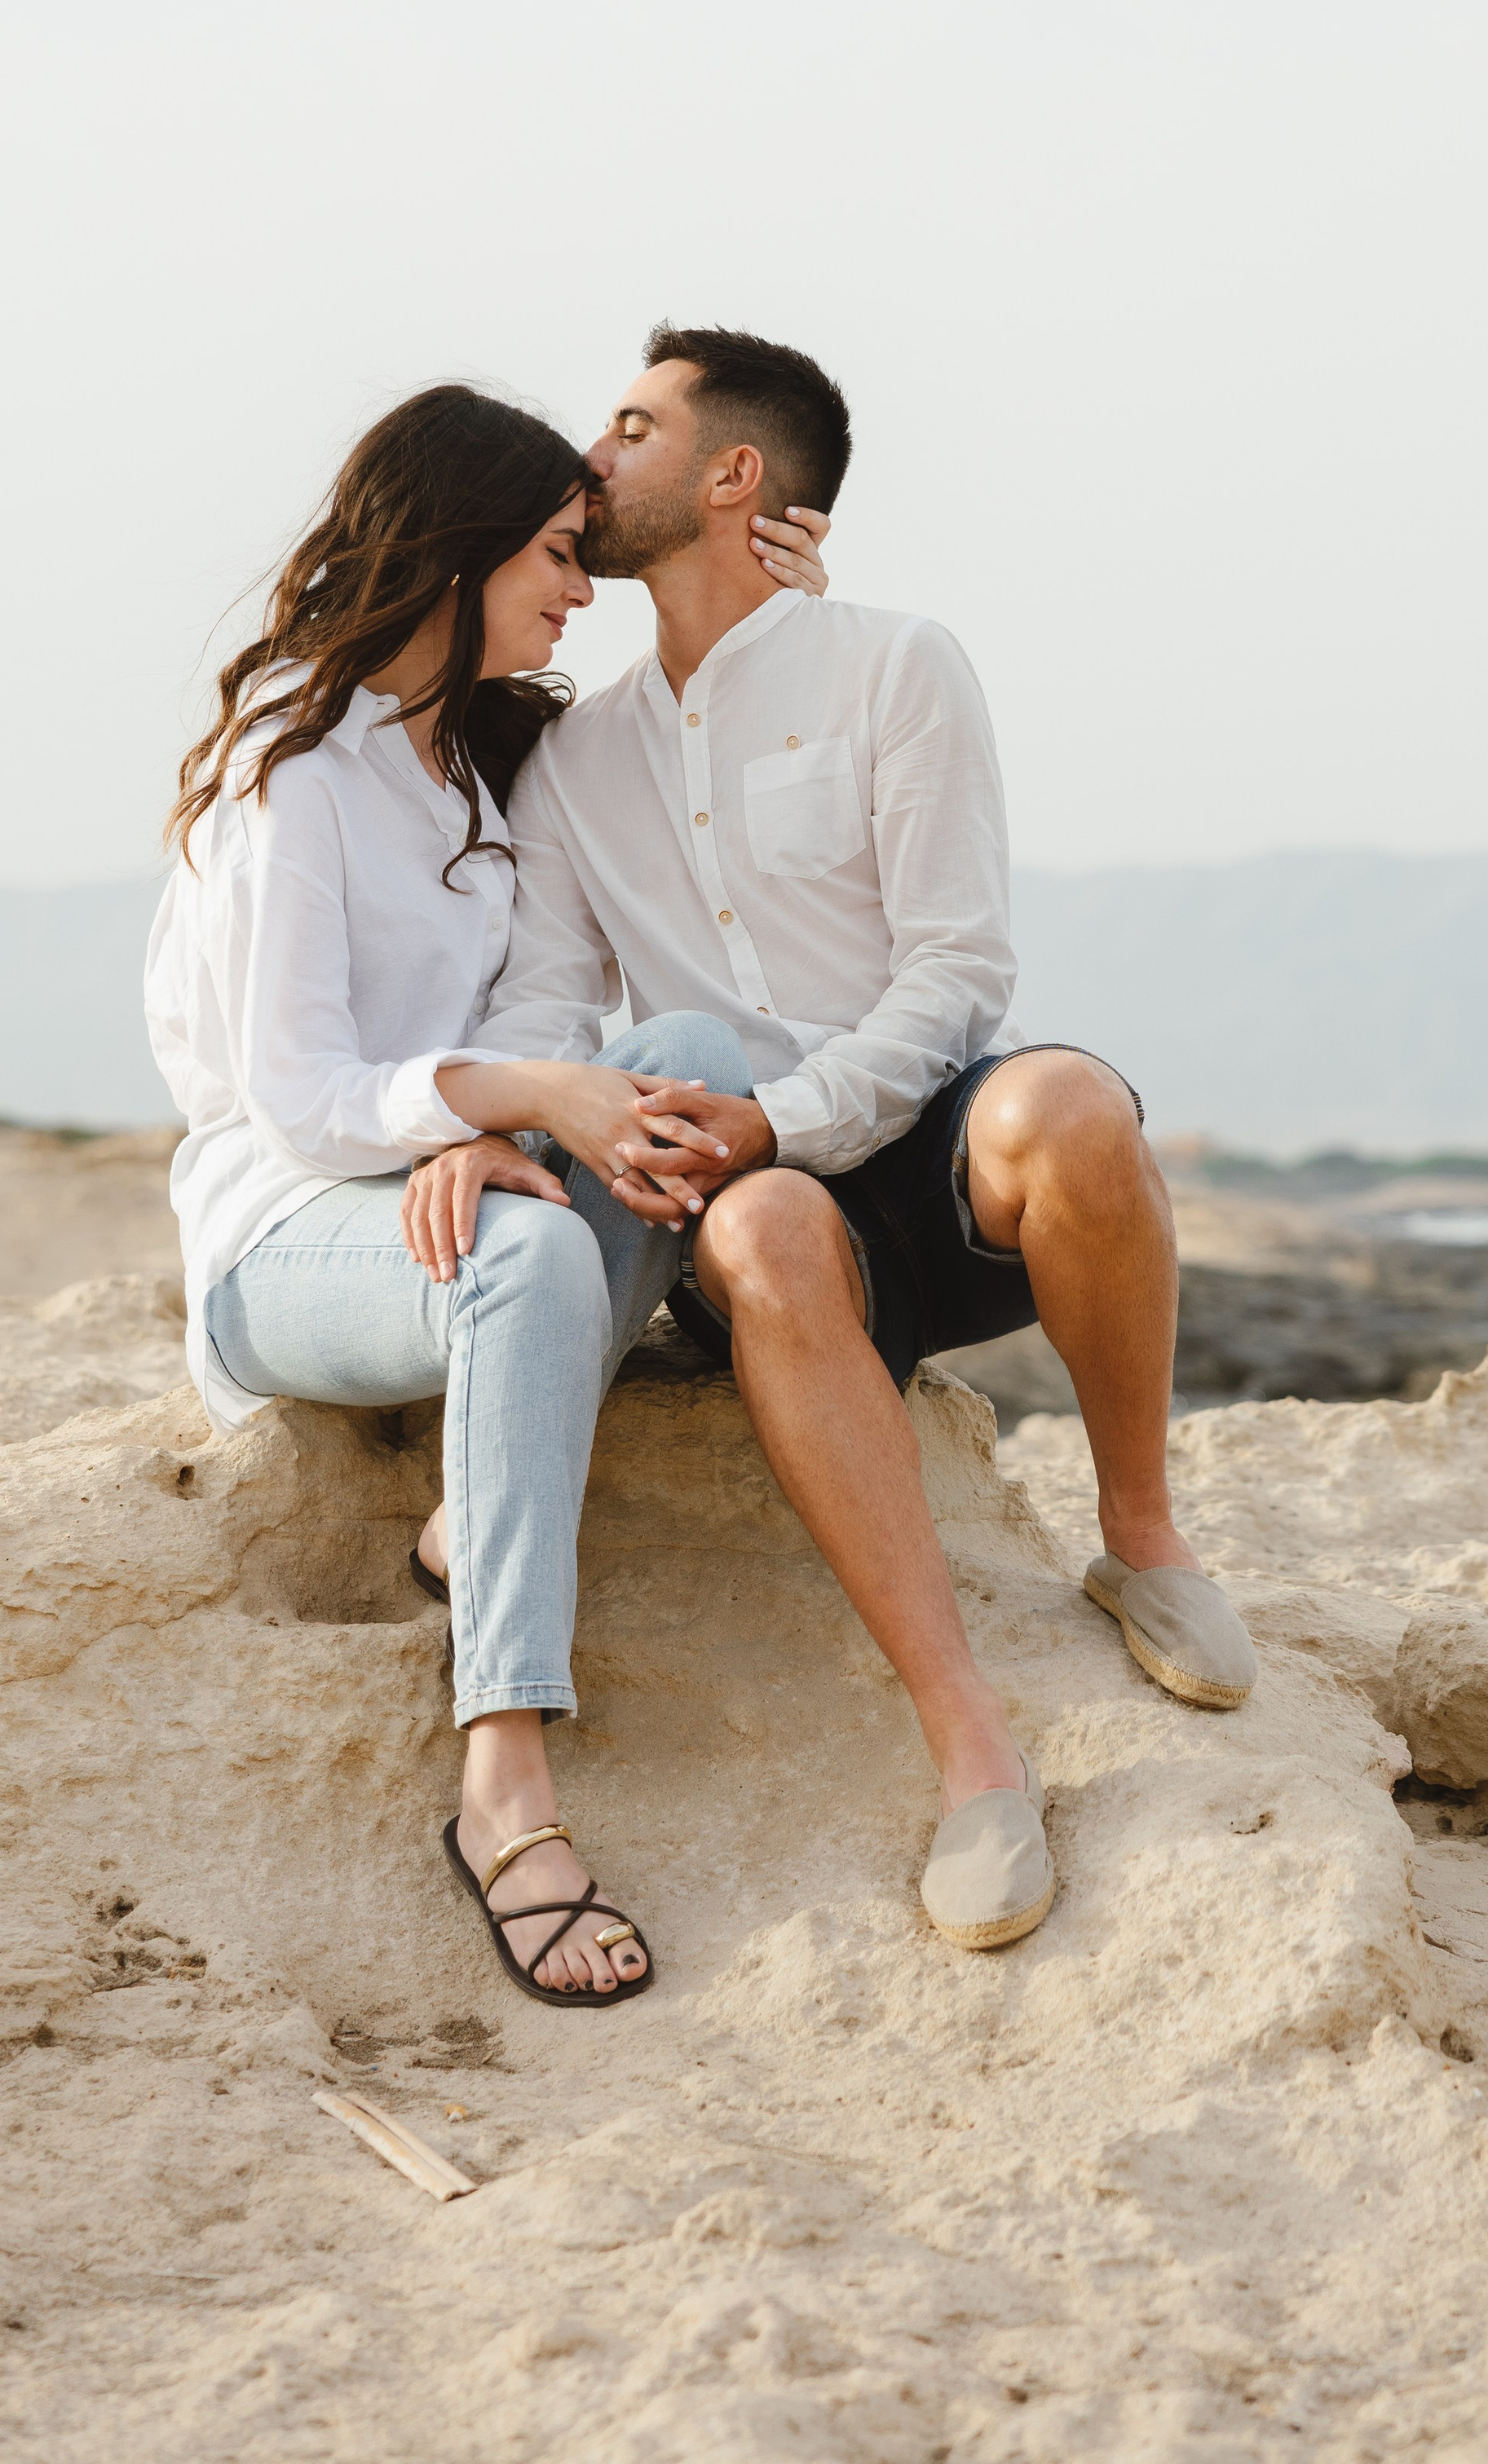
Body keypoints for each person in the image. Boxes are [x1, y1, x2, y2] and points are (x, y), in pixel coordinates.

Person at [404, 325, 1256, 1955]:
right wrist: (492, 1112)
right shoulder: (574, 755)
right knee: (756, 1226)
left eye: (632, 425)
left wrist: (789, 1111)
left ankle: (1140, 1537)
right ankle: (972, 1749)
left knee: (1069, 1100)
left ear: (734, 476)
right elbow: (541, 998)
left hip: (927, 1152)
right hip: (758, 1224)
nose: (591, 452)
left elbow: (958, 969)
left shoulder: (887, 663)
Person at [144, 381, 828, 2007]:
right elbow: (300, 1094)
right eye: (552, 554)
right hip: (279, 1233)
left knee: (675, 1049)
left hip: (443, 1186)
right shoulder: (290, 772)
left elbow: (540, 1005)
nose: (575, 592)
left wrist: (786, 624)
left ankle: (480, 1509)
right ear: (450, 551)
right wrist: (484, 1116)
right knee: (526, 1253)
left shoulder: (482, 762)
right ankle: (505, 1777)